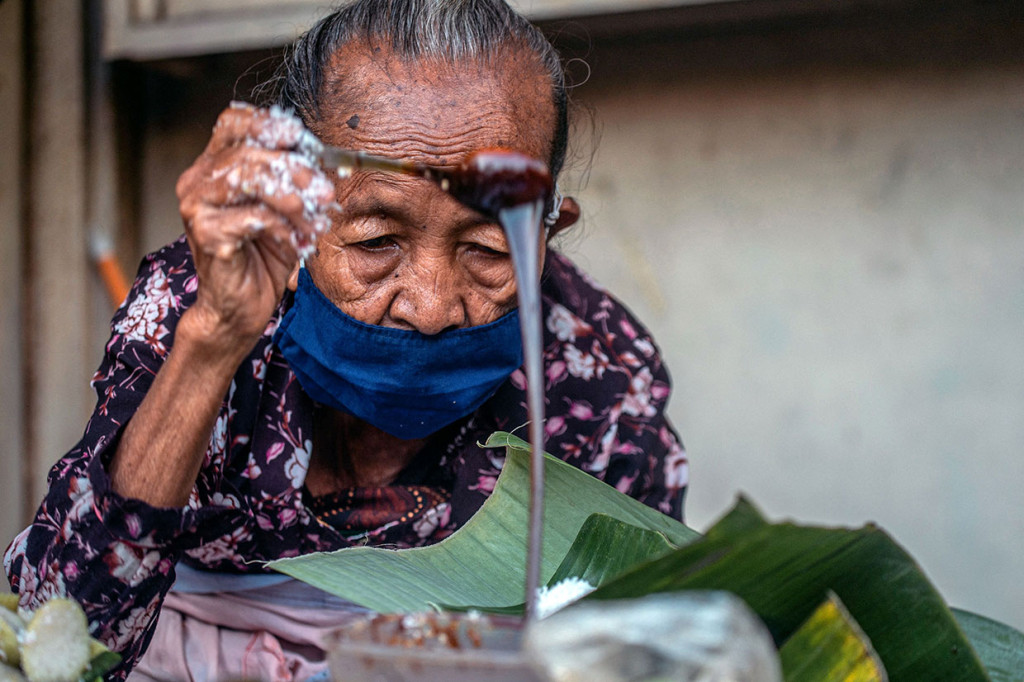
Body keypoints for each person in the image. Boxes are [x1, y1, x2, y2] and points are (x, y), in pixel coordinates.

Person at [4, 1, 688, 679]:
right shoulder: (199, 304)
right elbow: (61, 635)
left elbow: (634, 640)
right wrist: (212, 342)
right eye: (376, 241)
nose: (430, 306)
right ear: (296, 218)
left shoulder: (597, 380)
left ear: (549, 233)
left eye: (488, 247)